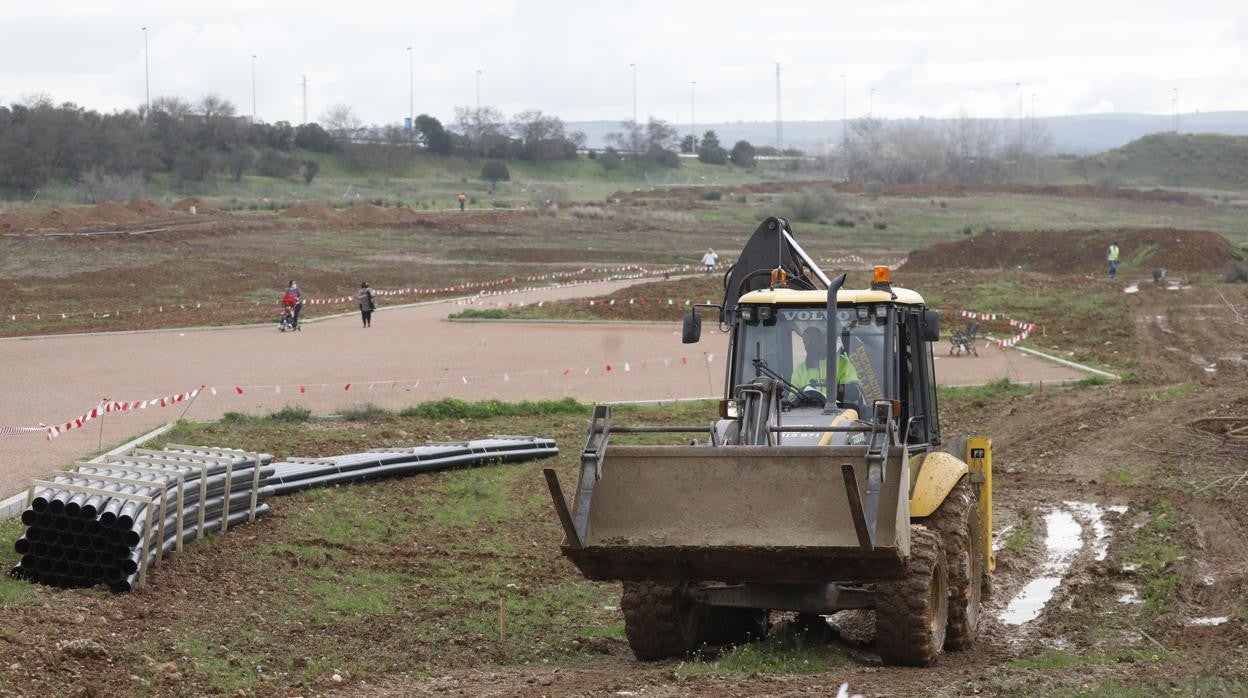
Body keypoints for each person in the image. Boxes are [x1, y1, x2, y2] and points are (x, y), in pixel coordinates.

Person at [790, 326, 862, 409]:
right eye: (806, 342)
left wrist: (837, 388)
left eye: (813, 340)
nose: (809, 345)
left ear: (822, 340)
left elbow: (855, 392)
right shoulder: (799, 370)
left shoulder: (842, 363)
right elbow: (792, 400)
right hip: (807, 415)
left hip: (839, 414)